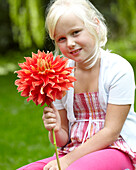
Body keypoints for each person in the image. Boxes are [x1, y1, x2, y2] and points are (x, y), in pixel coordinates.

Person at [17, 0, 136, 169]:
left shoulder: (118, 69)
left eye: (76, 32)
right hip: (73, 150)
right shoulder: (59, 75)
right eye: (62, 38)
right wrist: (56, 128)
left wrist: (67, 161)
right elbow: (62, 140)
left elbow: (111, 133)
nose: (70, 43)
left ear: (95, 25)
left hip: (115, 149)